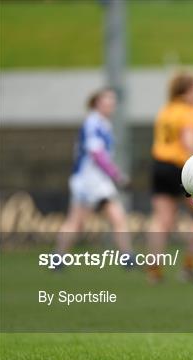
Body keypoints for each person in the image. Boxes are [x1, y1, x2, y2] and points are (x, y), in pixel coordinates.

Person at [147, 72, 193, 285]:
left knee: (162, 220)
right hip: (181, 167)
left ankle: (154, 269)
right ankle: (189, 265)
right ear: (187, 91)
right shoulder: (191, 111)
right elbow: (188, 140)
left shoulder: (166, 109)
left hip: (159, 166)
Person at [55, 88, 133, 264]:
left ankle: (128, 258)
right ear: (97, 103)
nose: (111, 105)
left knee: (117, 216)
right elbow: (96, 154)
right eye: (107, 101)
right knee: (77, 222)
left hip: (97, 180)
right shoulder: (93, 122)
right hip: (88, 180)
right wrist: (117, 176)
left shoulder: (103, 123)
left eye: (113, 101)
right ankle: (57, 258)